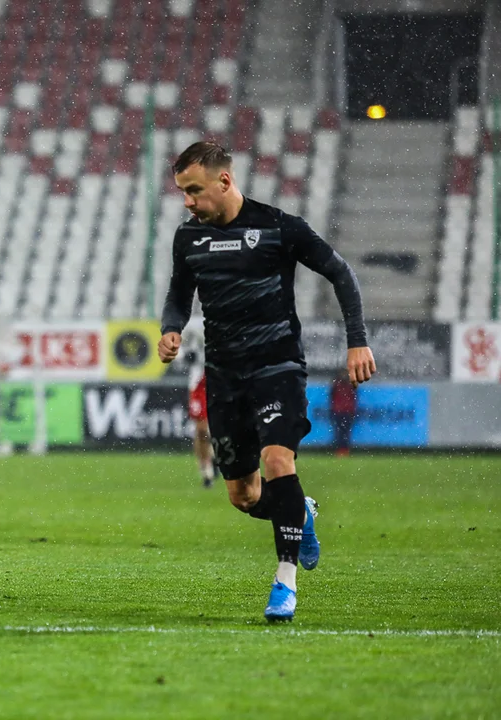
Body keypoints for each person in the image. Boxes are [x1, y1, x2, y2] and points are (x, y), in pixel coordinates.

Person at [158, 141, 376, 622]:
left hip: (277, 367)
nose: (188, 202)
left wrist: (357, 340)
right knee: (245, 496)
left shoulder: (279, 227)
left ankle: (285, 584)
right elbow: (179, 292)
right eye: (182, 193)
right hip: (224, 374)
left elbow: (340, 274)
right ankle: (302, 513)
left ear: (225, 181)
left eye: (194, 191)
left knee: (279, 460)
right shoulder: (188, 238)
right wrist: (170, 327)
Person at [181, 317, 216, 488]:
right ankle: (206, 469)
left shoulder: (228, 315)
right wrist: (187, 356)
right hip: (199, 384)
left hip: (222, 380)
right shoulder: (191, 322)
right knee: (202, 430)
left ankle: (215, 455)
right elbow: (180, 351)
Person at [330, 369, 358, 457]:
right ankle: (340, 449)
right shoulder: (337, 384)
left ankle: (344, 450)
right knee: (339, 431)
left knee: (345, 431)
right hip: (339, 411)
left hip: (347, 411)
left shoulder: (350, 384)